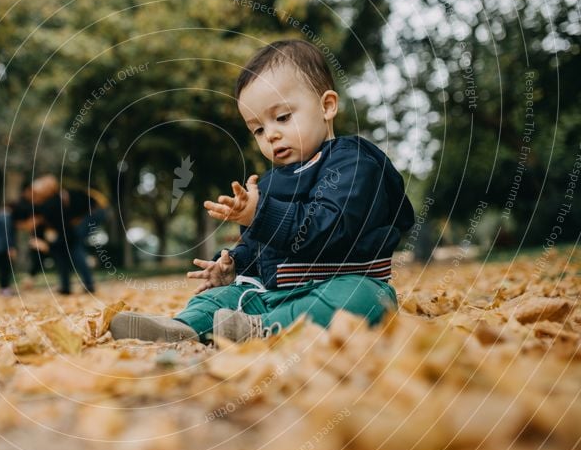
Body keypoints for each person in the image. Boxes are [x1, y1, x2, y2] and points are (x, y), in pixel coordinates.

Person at [110, 39, 415, 343]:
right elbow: (261, 248)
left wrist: (261, 214)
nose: (270, 134)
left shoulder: (354, 163)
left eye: (282, 117)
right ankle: (185, 327)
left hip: (341, 282)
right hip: (271, 292)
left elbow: (329, 227)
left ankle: (260, 329)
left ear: (327, 106)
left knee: (364, 301)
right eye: (257, 128)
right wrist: (233, 264)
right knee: (221, 297)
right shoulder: (269, 183)